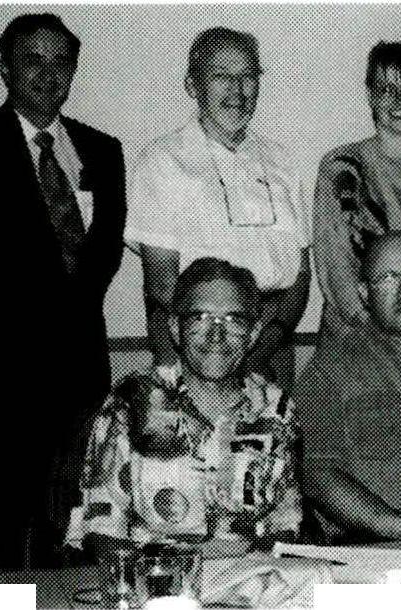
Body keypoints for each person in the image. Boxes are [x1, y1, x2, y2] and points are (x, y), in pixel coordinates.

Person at [0, 13, 126, 567]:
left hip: (80, 379)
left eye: (61, 62)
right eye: (33, 60)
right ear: (5, 68)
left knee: (75, 539)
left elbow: (104, 255)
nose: (49, 74)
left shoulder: (102, 151)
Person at [66, 257, 301, 554]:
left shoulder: (275, 408)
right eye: (200, 317)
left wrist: (249, 567)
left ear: (253, 334)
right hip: (153, 574)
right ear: (175, 328)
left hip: (249, 574)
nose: (216, 336)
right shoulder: (133, 399)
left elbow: (285, 525)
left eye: (233, 320)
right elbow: (101, 531)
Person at [125, 27, 311, 392]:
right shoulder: (163, 160)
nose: (237, 91)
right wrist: (203, 357)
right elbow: (161, 285)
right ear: (192, 85)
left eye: (248, 77)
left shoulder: (281, 160)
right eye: (221, 76)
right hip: (199, 348)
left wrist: (262, 348)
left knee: (270, 430)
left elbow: (300, 274)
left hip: (273, 346)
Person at [295, 233, 401, 543]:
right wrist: (396, 526)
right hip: (378, 550)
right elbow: (317, 475)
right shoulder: (329, 370)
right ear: (364, 293)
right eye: (388, 279)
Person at [314, 41, 401, 346]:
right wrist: (374, 336)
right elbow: (335, 265)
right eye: (387, 89)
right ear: (370, 95)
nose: (399, 99)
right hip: (355, 336)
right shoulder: (342, 167)